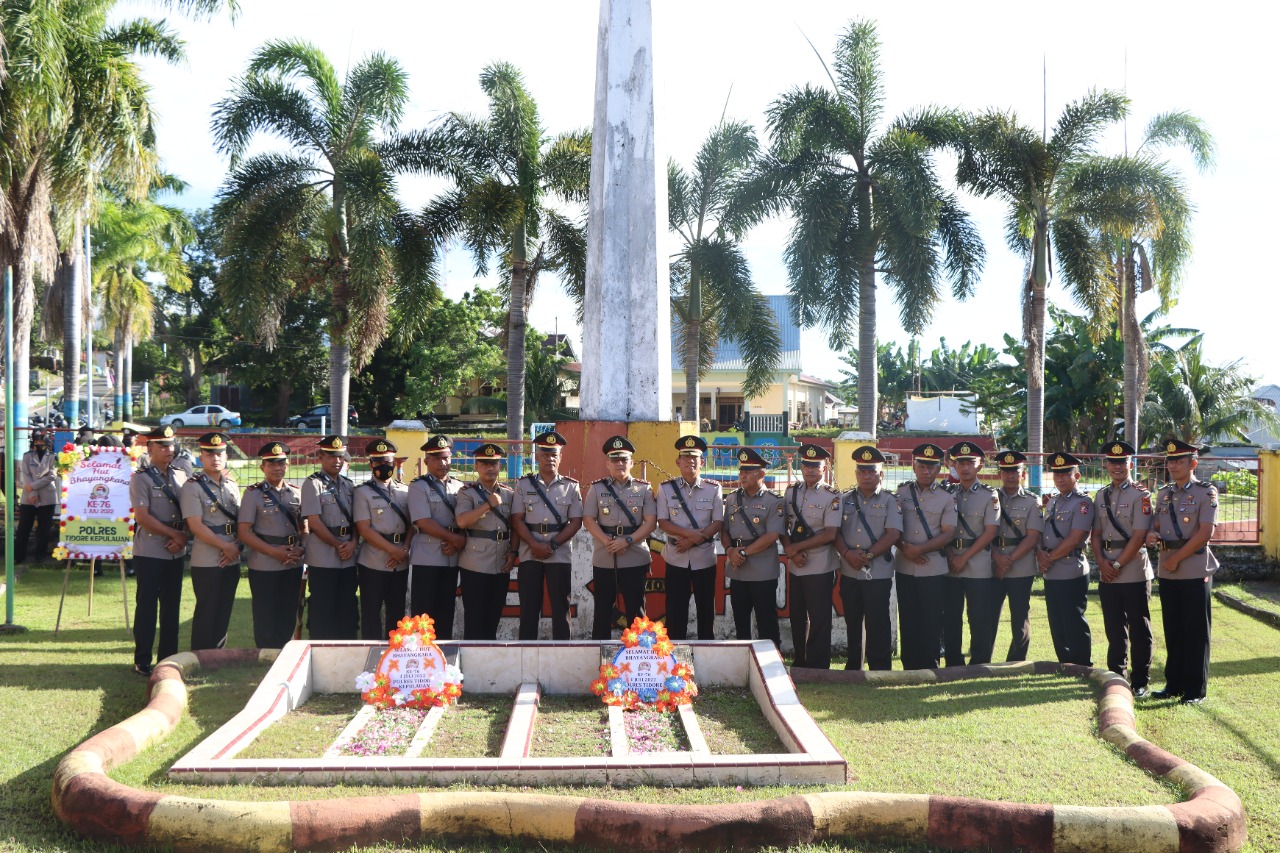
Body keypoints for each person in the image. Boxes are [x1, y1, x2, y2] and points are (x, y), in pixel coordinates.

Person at [1146, 438, 1219, 705]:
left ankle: (1195, 690)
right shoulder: (1164, 494)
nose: (1174, 465)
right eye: (1170, 460)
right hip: (1168, 570)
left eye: (1179, 461)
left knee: (1196, 630)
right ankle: (1173, 684)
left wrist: (1176, 558)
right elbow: (1156, 522)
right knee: (1173, 628)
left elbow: (1204, 534)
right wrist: (1152, 534)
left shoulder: (1205, 493)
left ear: (1193, 463)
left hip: (1193, 568)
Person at [1092, 440, 1155, 695]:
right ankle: (1117, 678)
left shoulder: (1141, 495)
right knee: (1113, 628)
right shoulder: (1100, 495)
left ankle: (1140, 681)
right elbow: (1095, 533)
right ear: (1106, 464)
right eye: (1113, 462)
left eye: (1122, 462)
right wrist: (1101, 562)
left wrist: (1116, 564)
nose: (1117, 467)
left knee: (1139, 628)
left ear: (1131, 464)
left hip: (1133, 570)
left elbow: (1140, 535)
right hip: (1107, 569)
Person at [582, 436, 657, 639]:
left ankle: (639, 656)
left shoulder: (644, 489)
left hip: (635, 555)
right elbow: (588, 519)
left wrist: (627, 540)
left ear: (632, 463)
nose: (620, 464)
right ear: (608, 463)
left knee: (636, 610)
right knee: (603, 609)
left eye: (624, 460)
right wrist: (608, 541)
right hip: (605, 554)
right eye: (615, 460)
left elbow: (650, 522)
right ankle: (600, 655)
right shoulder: (597, 488)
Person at [835, 446, 902, 671]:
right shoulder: (844, 499)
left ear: (880, 474)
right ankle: (854, 665)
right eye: (862, 471)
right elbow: (834, 532)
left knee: (878, 621)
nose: (866, 476)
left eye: (871, 471)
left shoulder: (891, 500)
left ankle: (880, 667)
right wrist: (846, 554)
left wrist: (868, 555)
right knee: (852, 620)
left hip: (877, 571)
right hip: (849, 569)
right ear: (856, 474)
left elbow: (893, 533)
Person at [129, 425, 189, 675]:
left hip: (176, 549)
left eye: (171, 444)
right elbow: (143, 517)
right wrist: (175, 534)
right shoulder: (141, 477)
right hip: (151, 549)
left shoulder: (182, 475)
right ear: (150, 448)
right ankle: (142, 658)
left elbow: (190, 510)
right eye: (162, 445)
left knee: (172, 605)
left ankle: (168, 658)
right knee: (147, 605)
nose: (168, 449)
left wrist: (182, 535)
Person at [512, 431, 583, 640]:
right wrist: (534, 544)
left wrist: (551, 545)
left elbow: (576, 522)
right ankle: (526, 651)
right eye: (545, 454)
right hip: (529, 551)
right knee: (529, 606)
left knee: (561, 606)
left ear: (560, 457)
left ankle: (563, 651)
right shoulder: (524, 484)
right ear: (537, 456)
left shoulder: (571, 485)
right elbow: (517, 519)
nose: (549, 458)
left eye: (554, 454)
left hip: (559, 552)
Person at [894, 443, 958, 670]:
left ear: (939, 469)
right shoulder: (901, 493)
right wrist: (904, 548)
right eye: (922, 466)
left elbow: (949, 532)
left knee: (932, 618)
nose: (926, 471)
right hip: (904, 565)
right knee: (908, 617)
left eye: (932, 467)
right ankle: (909, 665)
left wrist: (919, 550)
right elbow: (891, 528)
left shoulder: (946, 497)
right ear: (914, 466)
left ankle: (930, 664)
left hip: (933, 566)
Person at [238, 442, 306, 649]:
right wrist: (273, 552)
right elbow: (244, 531)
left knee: (287, 613)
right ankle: (264, 657)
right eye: (272, 464)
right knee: (265, 614)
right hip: (264, 564)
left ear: (287, 466)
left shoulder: (296, 492)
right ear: (262, 467)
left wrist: (302, 548)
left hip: (292, 563)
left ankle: (282, 655)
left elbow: (305, 527)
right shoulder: (253, 494)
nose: (277, 468)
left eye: (281, 463)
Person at [656, 434, 723, 641]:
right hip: (676, 556)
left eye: (695, 458)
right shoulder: (666, 488)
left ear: (701, 462)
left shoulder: (714, 489)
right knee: (676, 610)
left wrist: (693, 540)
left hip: (704, 557)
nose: (690, 462)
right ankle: (675, 653)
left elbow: (717, 523)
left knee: (705, 609)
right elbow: (663, 522)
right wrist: (689, 535)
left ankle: (707, 652)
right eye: (686, 458)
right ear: (678, 462)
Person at [781, 443, 842, 669]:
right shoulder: (791, 492)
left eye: (815, 466)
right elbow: (782, 526)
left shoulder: (832, 496)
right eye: (806, 465)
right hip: (796, 564)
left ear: (824, 468)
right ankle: (800, 660)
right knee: (796, 616)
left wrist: (796, 549)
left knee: (819, 617)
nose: (809, 470)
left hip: (819, 563)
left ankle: (818, 664)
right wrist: (791, 550)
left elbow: (830, 533)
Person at [181, 432, 242, 651]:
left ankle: (218, 657)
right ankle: (200, 657)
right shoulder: (192, 486)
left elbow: (240, 522)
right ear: (201, 456)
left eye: (219, 453)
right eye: (209, 453)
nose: (215, 458)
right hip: (207, 557)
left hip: (232, 555)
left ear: (226, 455)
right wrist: (225, 546)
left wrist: (235, 546)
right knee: (207, 610)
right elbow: (196, 526)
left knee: (224, 609)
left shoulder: (232, 484)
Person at [720, 447, 784, 646]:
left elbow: (772, 535)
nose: (743, 475)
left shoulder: (774, 501)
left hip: (761, 568)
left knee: (766, 618)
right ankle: (742, 659)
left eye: (748, 472)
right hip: (737, 567)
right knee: (740, 618)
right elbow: (724, 530)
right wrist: (730, 550)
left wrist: (744, 552)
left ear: (762, 474)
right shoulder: (731, 498)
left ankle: (772, 659)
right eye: (741, 471)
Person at [944, 442, 1000, 666]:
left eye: (970, 462)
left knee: (978, 617)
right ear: (954, 465)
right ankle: (953, 662)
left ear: (980, 465)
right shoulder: (947, 493)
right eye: (960, 463)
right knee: (950, 617)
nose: (965, 467)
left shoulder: (989, 495)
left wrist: (963, 558)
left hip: (977, 563)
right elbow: (940, 529)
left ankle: (979, 662)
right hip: (949, 562)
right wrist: (951, 555)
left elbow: (990, 532)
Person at [454, 442, 517, 640]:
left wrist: (513, 552)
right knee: (474, 617)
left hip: (501, 562)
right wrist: (487, 505)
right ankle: (471, 664)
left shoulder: (509, 493)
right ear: (476, 466)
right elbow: (462, 521)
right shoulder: (467, 492)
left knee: (493, 616)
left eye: (494, 464)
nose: (490, 468)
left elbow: (515, 526)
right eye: (485, 463)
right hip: (475, 562)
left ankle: (488, 661)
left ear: (500, 466)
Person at [1037, 451, 1095, 666]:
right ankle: (1065, 663)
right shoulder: (1052, 502)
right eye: (1056, 474)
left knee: (1073, 621)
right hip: (1051, 570)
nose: (1060, 479)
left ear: (1076, 476)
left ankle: (1082, 664)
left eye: (1065, 474)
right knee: (1057, 622)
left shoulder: (1083, 503)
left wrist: (1048, 558)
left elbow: (1075, 538)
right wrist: (1040, 554)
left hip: (1071, 567)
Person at [354, 438, 412, 641]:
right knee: (371, 610)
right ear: (371, 464)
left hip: (401, 560)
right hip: (373, 560)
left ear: (394, 463)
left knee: (397, 611)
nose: (383, 466)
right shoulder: (362, 492)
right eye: (378, 462)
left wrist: (403, 550)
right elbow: (364, 529)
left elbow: (413, 525)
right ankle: (371, 649)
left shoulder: (405, 490)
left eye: (387, 462)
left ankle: (393, 652)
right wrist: (392, 551)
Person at [988, 450, 1044, 661]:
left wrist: (1008, 560)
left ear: (1023, 473)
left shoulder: (1032, 501)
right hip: (993, 564)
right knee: (988, 615)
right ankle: (984, 659)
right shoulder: (991, 497)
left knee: (1019, 617)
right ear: (1000, 473)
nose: (1010, 475)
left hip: (1020, 565)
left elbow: (1032, 537)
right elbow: (983, 534)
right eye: (1006, 471)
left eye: (1015, 471)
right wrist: (998, 559)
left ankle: (1016, 661)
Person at [407, 434, 465, 639]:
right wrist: (454, 539)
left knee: (446, 610)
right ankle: (421, 656)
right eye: (438, 458)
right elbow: (423, 521)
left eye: (447, 457)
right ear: (427, 461)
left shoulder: (459, 487)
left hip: (451, 557)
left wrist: (457, 539)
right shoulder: (418, 487)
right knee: (423, 613)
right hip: (428, 555)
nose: (443, 462)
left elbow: (464, 520)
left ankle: (443, 656)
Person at [301, 435, 358, 640]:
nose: (337, 461)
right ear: (320, 456)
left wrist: (352, 543)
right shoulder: (313, 484)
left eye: (340, 457)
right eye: (331, 456)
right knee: (322, 605)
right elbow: (314, 522)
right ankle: (320, 647)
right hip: (323, 554)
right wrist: (338, 545)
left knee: (347, 604)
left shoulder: (349, 485)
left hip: (349, 554)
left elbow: (358, 520)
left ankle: (347, 646)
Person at [15, 429, 59, 564]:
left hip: (47, 497)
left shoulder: (53, 456)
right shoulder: (27, 456)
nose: (38, 443)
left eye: (41, 441)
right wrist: (32, 492)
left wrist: (33, 487)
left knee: (44, 528)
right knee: (24, 528)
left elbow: (52, 475)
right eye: (36, 441)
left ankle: (40, 556)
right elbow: (26, 474)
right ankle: (19, 556)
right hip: (29, 498)